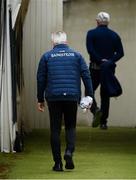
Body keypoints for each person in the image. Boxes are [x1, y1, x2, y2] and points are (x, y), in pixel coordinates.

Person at [37, 31, 93, 171]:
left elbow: (41, 79)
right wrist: (89, 95)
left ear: (53, 42)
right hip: (72, 96)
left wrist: (40, 99)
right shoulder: (77, 56)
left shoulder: (46, 56)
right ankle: (69, 152)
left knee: (55, 129)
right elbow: (87, 76)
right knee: (70, 126)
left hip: (53, 97)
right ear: (66, 41)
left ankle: (57, 163)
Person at [86, 12, 124, 130]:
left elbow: (90, 50)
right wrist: (109, 61)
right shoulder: (114, 35)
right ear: (108, 22)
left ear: (97, 21)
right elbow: (120, 53)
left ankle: (95, 110)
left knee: (88, 92)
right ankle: (103, 122)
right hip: (108, 69)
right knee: (105, 95)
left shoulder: (91, 34)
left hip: (95, 68)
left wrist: (99, 60)